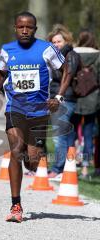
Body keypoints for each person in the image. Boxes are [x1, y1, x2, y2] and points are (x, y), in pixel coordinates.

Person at [0, 11, 67, 223]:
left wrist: (58, 97)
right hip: (15, 108)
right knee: (15, 151)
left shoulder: (46, 49)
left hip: (40, 111)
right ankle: (16, 205)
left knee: (32, 161)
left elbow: (67, 69)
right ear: (15, 28)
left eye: (29, 27)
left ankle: (30, 159)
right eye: (21, 27)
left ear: (35, 29)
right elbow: (1, 71)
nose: (25, 30)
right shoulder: (7, 49)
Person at [47, 24, 80, 179]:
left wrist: (58, 97)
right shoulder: (55, 57)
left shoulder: (71, 55)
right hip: (58, 98)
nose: (56, 45)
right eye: (53, 42)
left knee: (58, 135)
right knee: (66, 135)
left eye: (59, 41)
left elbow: (67, 76)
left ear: (66, 41)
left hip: (65, 99)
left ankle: (58, 169)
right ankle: (67, 169)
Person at [73, 30, 100, 179]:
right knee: (89, 134)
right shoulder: (98, 55)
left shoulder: (73, 54)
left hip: (75, 97)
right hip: (93, 99)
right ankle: (84, 169)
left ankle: (69, 165)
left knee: (71, 134)